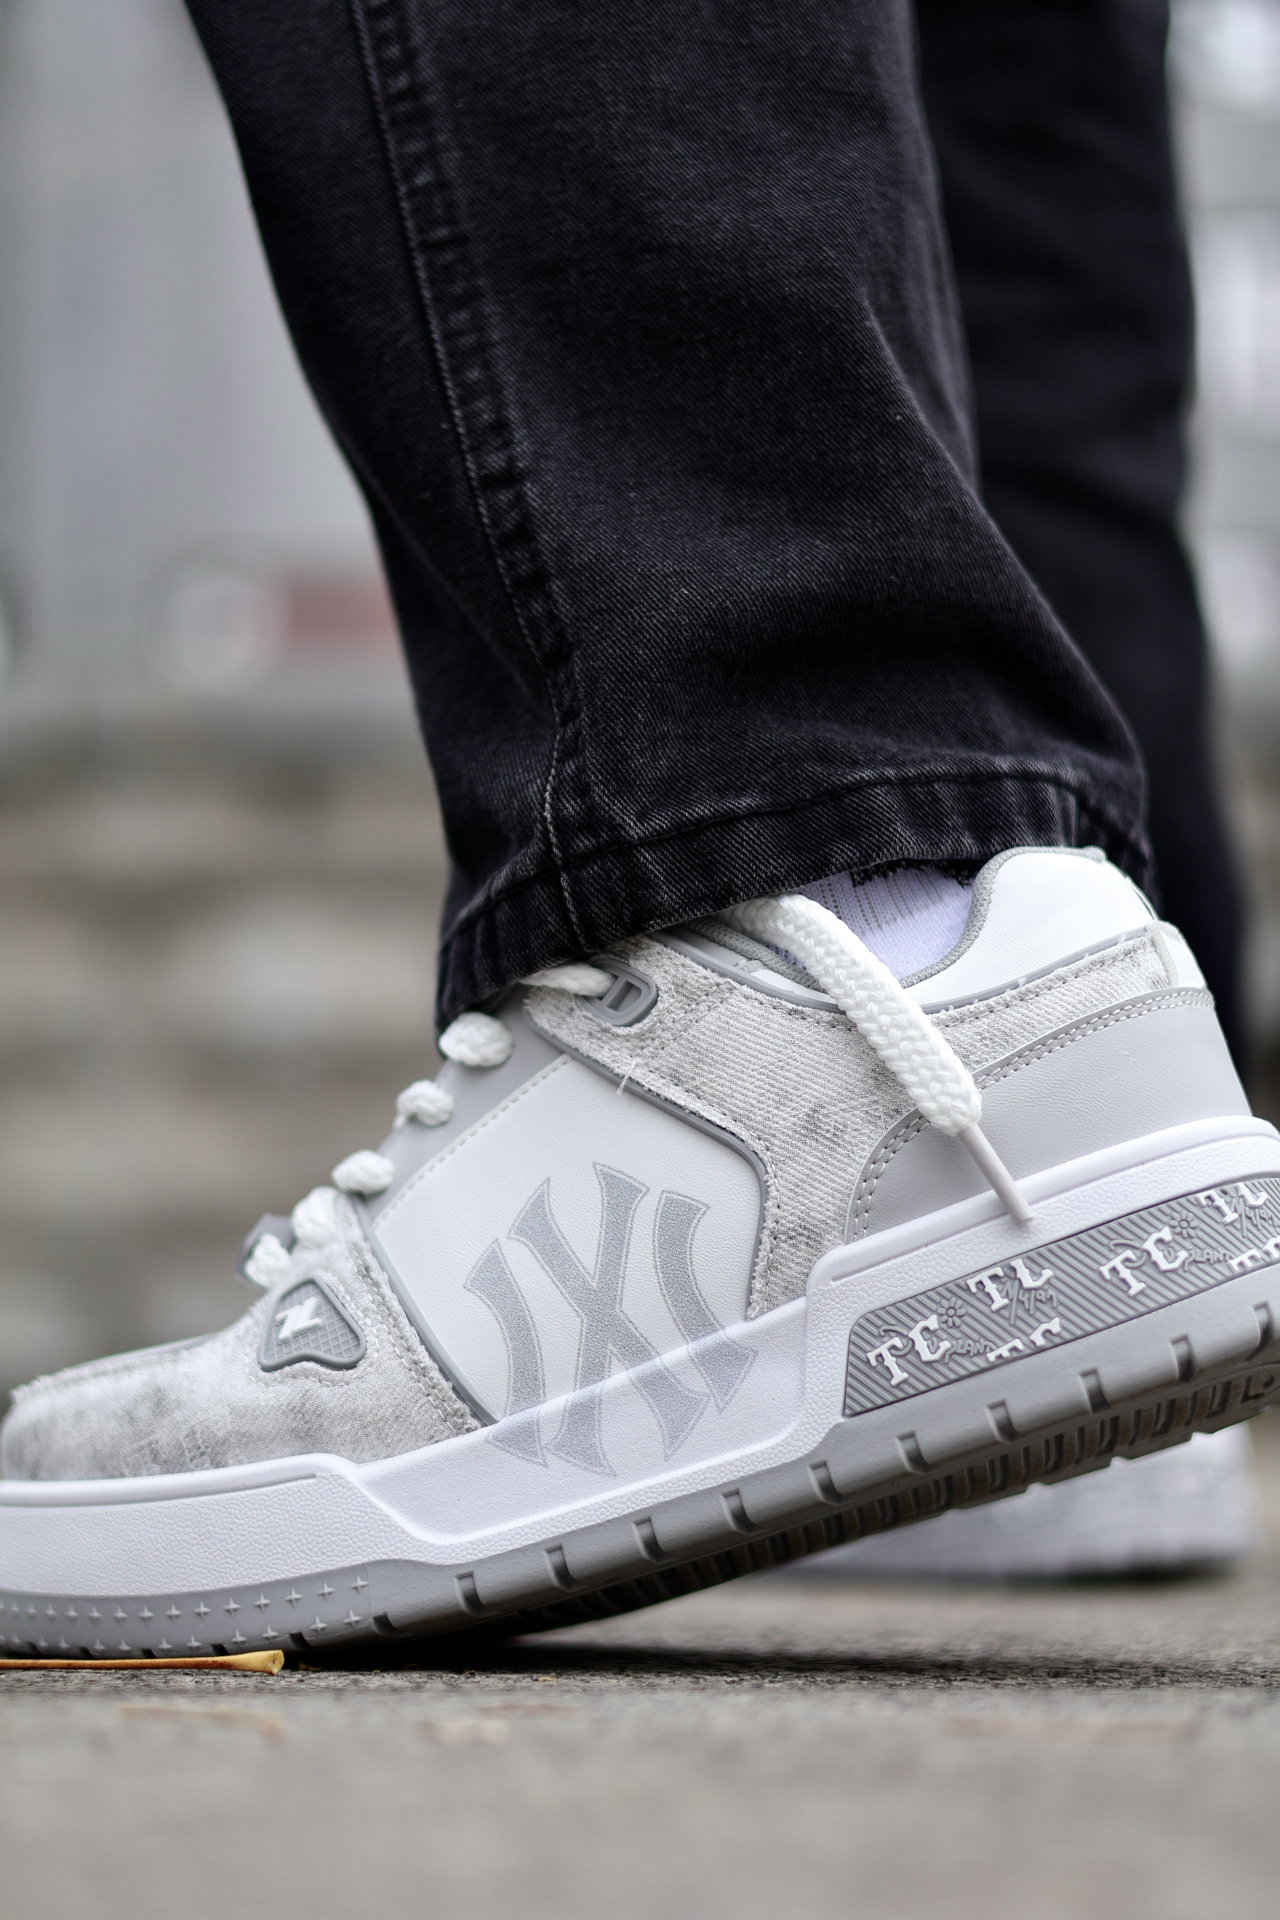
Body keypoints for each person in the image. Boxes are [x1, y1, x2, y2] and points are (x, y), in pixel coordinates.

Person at [0, 2, 1273, 1659]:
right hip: (999, 1057)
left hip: (840, 970)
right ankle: (1027, 1094)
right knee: (993, 55)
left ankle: (788, 893)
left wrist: (777, 797)